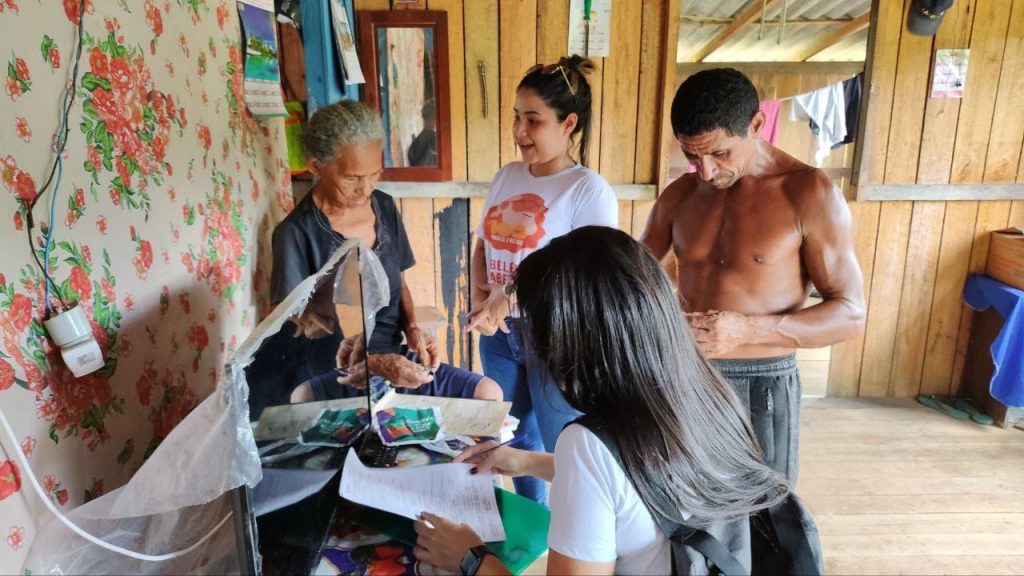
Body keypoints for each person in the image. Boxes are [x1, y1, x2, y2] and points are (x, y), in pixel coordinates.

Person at [413, 226, 789, 576]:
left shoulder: (589, 444)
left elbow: (605, 470)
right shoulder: (709, 395)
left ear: (568, 340)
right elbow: (636, 484)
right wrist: (524, 462)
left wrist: (469, 555)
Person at [640, 68, 866, 481]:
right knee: (687, 512)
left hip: (762, 381)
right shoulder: (681, 194)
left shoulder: (809, 192)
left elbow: (850, 314)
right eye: (692, 156)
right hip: (686, 374)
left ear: (757, 124)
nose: (706, 171)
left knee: (766, 522)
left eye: (720, 153)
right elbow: (628, 275)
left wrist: (746, 330)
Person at [270, 100, 501, 404]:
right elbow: (291, 330)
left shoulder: (384, 206)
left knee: (488, 394)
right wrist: (372, 364)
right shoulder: (296, 233)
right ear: (316, 167)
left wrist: (414, 329)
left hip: (395, 357)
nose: (365, 189)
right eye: (352, 178)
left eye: (374, 174)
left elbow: (400, 285)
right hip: (339, 370)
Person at [465, 55, 618, 504]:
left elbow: (583, 276)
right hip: (500, 336)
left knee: (565, 440)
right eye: (516, 117)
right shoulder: (507, 176)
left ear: (568, 123)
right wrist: (483, 300)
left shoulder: (588, 191)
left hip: (559, 336)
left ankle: (576, 533)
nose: (519, 131)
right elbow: (482, 244)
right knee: (514, 436)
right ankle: (538, 524)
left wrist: (507, 300)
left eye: (533, 120)